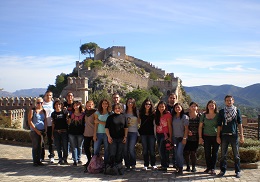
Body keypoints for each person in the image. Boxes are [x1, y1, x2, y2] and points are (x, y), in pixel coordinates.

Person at [217, 95, 244, 178]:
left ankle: (238, 171)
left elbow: (240, 124)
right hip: (224, 135)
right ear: (225, 101)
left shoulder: (237, 111)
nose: (229, 101)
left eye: (230, 100)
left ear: (233, 101)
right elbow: (219, 125)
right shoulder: (222, 112)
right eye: (227, 100)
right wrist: (218, 136)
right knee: (223, 155)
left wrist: (242, 135)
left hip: (234, 135)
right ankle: (223, 170)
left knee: (236, 155)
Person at [105, 103, 128, 175]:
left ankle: (119, 168)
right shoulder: (110, 117)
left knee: (119, 154)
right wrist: (108, 136)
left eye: (119, 108)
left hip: (121, 138)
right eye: (116, 108)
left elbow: (126, 128)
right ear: (113, 109)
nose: (117, 109)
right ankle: (111, 168)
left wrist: (125, 137)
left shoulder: (124, 117)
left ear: (121, 109)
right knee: (112, 153)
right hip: (113, 138)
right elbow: (106, 128)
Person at [198, 100, 219, 175]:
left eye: (213, 105)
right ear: (207, 106)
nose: (211, 106)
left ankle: (213, 168)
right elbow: (200, 127)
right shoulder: (203, 115)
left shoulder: (218, 115)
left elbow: (220, 127)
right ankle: (208, 167)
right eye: (210, 105)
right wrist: (200, 137)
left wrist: (219, 136)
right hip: (206, 136)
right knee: (207, 153)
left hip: (215, 136)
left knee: (215, 153)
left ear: (215, 106)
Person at [138, 98, 157, 171]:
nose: (148, 105)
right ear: (144, 105)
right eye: (146, 104)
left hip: (151, 133)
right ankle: (146, 164)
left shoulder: (153, 113)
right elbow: (139, 122)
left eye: (149, 104)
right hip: (143, 134)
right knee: (145, 149)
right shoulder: (141, 113)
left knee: (152, 150)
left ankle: (153, 164)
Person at [28, 97, 47, 166]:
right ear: (36, 103)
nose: (40, 104)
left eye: (41, 103)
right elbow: (30, 121)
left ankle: (39, 160)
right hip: (34, 131)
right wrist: (36, 130)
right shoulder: (32, 111)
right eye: (38, 103)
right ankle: (35, 161)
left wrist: (45, 129)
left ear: (43, 103)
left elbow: (45, 121)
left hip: (42, 131)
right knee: (35, 146)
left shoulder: (43, 111)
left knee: (40, 146)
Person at [154, 101, 172, 171]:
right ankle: (164, 164)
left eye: (163, 106)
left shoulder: (168, 115)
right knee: (161, 150)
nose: (161, 108)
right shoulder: (156, 114)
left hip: (165, 134)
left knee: (162, 150)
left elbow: (170, 126)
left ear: (165, 107)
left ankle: (164, 166)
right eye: (160, 106)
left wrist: (170, 136)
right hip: (158, 134)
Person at [172, 103, 189, 175]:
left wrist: (185, 138)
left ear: (181, 108)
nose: (177, 108)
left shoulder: (184, 117)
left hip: (182, 138)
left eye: (179, 107)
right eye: (176, 107)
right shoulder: (173, 117)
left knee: (179, 153)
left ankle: (181, 168)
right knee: (176, 153)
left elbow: (186, 129)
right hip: (175, 138)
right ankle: (178, 168)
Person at [183, 102, 201, 172]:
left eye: (195, 106)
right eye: (192, 106)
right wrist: (187, 131)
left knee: (193, 153)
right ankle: (187, 166)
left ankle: (193, 167)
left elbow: (201, 127)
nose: (193, 107)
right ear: (189, 107)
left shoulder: (199, 116)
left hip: (195, 137)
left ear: (197, 107)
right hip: (186, 136)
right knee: (186, 152)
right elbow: (183, 125)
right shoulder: (186, 115)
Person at [93, 99, 111, 164]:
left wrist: (99, 121)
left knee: (107, 150)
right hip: (99, 133)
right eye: (103, 103)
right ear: (101, 104)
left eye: (106, 103)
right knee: (96, 149)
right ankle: (95, 164)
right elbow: (96, 124)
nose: (104, 105)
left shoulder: (110, 113)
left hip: (107, 134)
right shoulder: (97, 113)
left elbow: (110, 124)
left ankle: (106, 164)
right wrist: (94, 135)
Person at [51, 99, 69, 165]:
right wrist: (52, 133)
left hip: (64, 131)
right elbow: (53, 124)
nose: (58, 105)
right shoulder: (53, 114)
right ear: (54, 106)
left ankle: (65, 159)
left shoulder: (64, 112)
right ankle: (60, 159)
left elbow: (68, 121)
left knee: (65, 146)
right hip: (56, 132)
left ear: (61, 105)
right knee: (58, 146)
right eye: (56, 104)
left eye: (59, 104)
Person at [68, 101, 85, 166]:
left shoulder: (83, 115)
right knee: (74, 146)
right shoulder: (71, 114)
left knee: (79, 146)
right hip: (72, 132)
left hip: (80, 132)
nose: (76, 106)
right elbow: (69, 123)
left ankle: (79, 158)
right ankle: (75, 160)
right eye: (74, 105)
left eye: (77, 105)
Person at [124, 98, 139, 171]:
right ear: (126, 103)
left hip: (134, 132)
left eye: (131, 103)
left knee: (131, 148)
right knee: (125, 149)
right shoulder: (124, 112)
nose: (130, 104)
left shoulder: (136, 112)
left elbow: (140, 122)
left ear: (133, 104)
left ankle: (133, 164)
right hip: (125, 133)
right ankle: (127, 165)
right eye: (129, 102)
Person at [42, 90, 54, 163]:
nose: (48, 96)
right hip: (43, 125)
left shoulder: (53, 104)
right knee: (42, 142)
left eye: (50, 95)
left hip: (51, 125)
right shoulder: (41, 103)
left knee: (51, 141)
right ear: (45, 95)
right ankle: (41, 156)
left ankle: (51, 155)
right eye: (47, 95)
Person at [83, 100, 96, 170]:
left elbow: (96, 124)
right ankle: (89, 160)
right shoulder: (85, 113)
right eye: (88, 105)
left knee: (94, 149)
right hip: (86, 133)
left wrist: (95, 134)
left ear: (93, 105)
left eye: (91, 105)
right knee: (86, 147)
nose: (89, 106)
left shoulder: (95, 113)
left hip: (93, 133)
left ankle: (93, 162)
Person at [166, 93, 177, 167]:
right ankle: (165, 163)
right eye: (171, 98)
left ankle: (175, 163)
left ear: (176, 99)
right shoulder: (165, 107)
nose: (172, 99)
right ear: (168, 98)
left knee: (175, 147)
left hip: (176, 131)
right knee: (166, 147)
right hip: (166, 131)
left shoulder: (177, 107)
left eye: (173, 98)